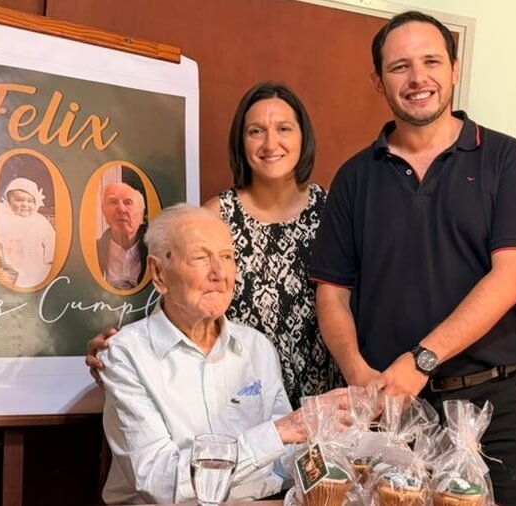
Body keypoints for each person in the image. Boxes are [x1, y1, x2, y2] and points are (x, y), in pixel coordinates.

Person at [308, 11, 516, 506]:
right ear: (378, 81)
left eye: (431, 62)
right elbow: (332, 293)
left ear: (455, 70)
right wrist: (358, 374)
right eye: (400, 67)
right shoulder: (354, 179)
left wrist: (421, 360)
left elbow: (513, 278)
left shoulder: (505, 159)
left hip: (495, 407)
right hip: (392, 412)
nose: (418, 79)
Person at [88, 82, 342, 408]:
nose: (270, 143)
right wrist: (122, 347)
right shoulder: (215, 216)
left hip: (320, 397)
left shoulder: (332, 211)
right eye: (255, 131)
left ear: (303, 137)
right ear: (241, 141)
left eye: (284, 128)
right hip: (239, 395)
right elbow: (174, 295)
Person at [98, 203, 346, 504]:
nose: (219, 273)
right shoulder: (126, 355)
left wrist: (341, 455)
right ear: (159, 273)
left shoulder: (255, 347)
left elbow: (282, 460)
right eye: (201, 258)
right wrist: (280, 432)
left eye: (227, 257)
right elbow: (161, 483)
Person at [0, 177, 55, 288]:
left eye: (30, 201)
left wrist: (50, 259)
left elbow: (50, 240)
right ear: (8, 200)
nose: (25, 204)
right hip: (11, 269)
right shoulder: (3, 219)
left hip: (36, 266)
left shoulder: (39, 220)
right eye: (19, 200)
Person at [97, 182, 148, 290]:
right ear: (104, 212)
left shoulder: (157, 252)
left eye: (128, 202)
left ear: (141, 214)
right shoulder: (92, 253)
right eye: (113, 202)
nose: (121, 209)